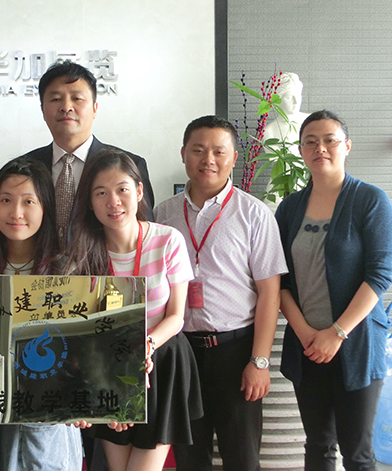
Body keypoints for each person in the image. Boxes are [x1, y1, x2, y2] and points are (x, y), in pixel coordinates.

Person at [154, 115, 287, 471]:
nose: (208, 159)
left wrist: (259, 361)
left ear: (234, 158)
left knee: (242, 458)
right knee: (189, 457)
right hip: (181, 352)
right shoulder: (163, 214)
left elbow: (270, 293)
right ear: (183, 153)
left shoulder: (255, 214)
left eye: (218, 151)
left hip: (235, 351)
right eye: (198, 150)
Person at [66, 148, 203, 471]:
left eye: (122, 189)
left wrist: (146, 345)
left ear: (139, 192)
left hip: (160, 359)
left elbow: (176, 316)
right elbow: (81, 328)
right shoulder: (83, 254)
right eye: (101, 193)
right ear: (89, 201)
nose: (113, 201)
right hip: (107, 366)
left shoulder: (167, 240)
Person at [275, 110, 392, 471]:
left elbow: (381, 274)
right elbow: (278, 279)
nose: (320, 148)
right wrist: (306, 333)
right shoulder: (290, 207)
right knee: (318, 445)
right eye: (310, 142)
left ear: (347, 146)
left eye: (329, 140)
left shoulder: (370, 199)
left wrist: (337, 333)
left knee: (357, 452)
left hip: (357, 343)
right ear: (300, 150)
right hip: (307, 345)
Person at [0, 157, 83, 471]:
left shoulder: (68, 271)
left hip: (47, 415)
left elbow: (80, 350)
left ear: (46, 208)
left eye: (28, 202)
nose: (16, 213)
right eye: (6, 200)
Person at [24, 60, 155, 247]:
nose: (66, 107)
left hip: (106, 265)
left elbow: (143, 233)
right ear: (43, 111)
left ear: (94, 108)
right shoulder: (26, 166)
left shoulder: (130, 165)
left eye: (77, 98)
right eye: (55, 99)